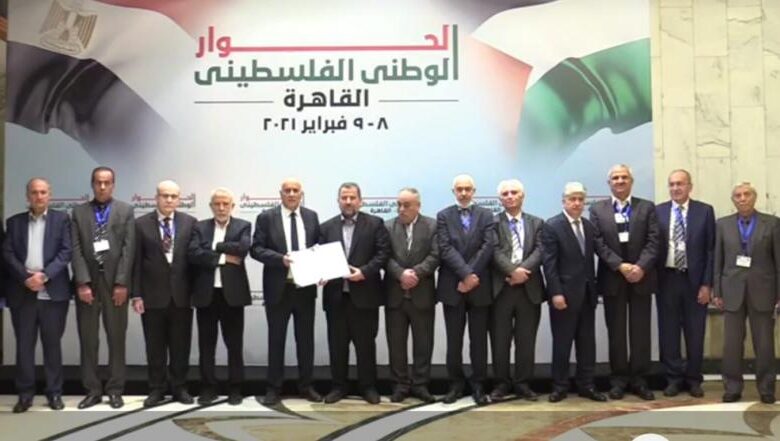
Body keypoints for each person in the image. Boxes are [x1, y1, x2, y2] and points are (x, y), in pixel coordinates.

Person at [589, 164, 659, 400]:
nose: (620, 181)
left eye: (624, 177)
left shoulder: (646, 207)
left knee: (641, 332)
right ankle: (618, 380)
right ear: (609, 183)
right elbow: (597, 243)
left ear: (631, 181)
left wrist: (640, 267)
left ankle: (639, 380)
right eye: (615, 178)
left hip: (641, 278)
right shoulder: (597, 209)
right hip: (613, 278)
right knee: (616, 333)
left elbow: (654, 241)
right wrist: (620, 265)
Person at [3, 178, 72, 412]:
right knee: (24, 347)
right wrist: (26, 277)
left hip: (53, 293)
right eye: (34, 192)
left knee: (52, 345)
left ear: (49, 195)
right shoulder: (14, 222)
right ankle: (25, 394)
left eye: (43, 192)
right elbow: (7, 253)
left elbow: (66, 252)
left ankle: (54, 393)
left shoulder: (62, 220)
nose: (39, 196)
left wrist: (44, 276)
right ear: (28, 196)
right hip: (23, 293)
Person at [250, 178, 322, 405]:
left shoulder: (311, 216)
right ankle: (273, 388)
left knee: (306, 341)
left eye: (295, 190)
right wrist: (280, 259)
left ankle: (306, 386)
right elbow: (256, 249)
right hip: (278, 289)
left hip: (305, 288)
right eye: (287, 190)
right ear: (280, 194)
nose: (291, 194)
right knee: (276, 340)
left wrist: (322, 269)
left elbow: (318, 248)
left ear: (301, 194)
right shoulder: (266, 217)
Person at [71, 166, 135, 409]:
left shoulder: (125, 210)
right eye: (98, 182)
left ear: (113, 185)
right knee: (88, 339)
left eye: (107, 182)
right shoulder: (78, 212)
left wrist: (121, 283)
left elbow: (129, 249)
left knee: (116, 338)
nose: (102, 186)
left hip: (114, 285)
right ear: (92, 184)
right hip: (88, 284)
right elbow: (75, 249)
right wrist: (82, 282)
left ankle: (115, 389)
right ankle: (92, 390)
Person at [319, 182, 390, 404]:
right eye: (344, 197)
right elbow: (318, 257)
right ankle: (338, 387)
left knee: (366, 345)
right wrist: (320, 273)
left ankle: (368, 387)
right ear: (338, 200)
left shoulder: (375, 224)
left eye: (352, 197)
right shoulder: (326, 227)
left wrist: (364, 272)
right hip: (336, 297)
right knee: (337, 346)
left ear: (360, 201)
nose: (348, 201)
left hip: (365, 296)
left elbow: (383, 254)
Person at [131, 180, 197, 407]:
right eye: (164, 195)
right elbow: (136, 262)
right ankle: (156, 389)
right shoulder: (140, 224)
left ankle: (180, 388)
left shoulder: (190, 223)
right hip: (152, 296)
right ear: (156, 198)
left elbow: (194, 262)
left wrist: (195, 294)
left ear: (179, 199)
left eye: (173, 196)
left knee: (181, 346)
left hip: (181, 297)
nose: (169, 200)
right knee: (155, 347)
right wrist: (136, 294)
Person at [713, 182, 780, 404]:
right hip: (731, 291)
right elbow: (718, 260)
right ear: (733, 200)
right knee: (731, 345)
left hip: (764, 291)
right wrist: (717, 290)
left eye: (747, 194)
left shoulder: (772, 224)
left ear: (754, 197)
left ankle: (766, 388)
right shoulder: (722, 225)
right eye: (738, 195)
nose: (742, 198)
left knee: (765, 343)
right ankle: (732, 387)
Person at [542, 182, 609, 403]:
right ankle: (559, 386)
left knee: (587, 344)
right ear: (564, 201)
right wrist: (556, 293)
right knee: (562, 344)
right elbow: (549, 264)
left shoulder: (588, 226)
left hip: (588, 296)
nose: (577, 203)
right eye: (572, 199)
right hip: (564, 296)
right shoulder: (552, 226)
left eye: (580, 199)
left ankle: (587, 385)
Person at [188, 188, 252, 406]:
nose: (222, 208)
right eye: (217, 204)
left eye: (226, 204)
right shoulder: (200, 227)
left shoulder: (243, 225)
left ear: (232, 206)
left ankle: (235, 388)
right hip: (206, 294)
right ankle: (208, 387)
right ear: (211, 206)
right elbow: (193, 253)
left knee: (234, 345)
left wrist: (214, 247)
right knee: (206, 346)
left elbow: (242, 249)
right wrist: (224, 257)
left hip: (232, 296)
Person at [437, 174, 496, 405]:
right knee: (454, 341)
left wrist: (471, 276)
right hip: (453, 286)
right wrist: (465, 274)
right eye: (459, 189)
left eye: (467, 189)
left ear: (474, 191)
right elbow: (445, 247)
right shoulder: (444, 215)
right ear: (453, 192)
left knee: (479, 340)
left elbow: (488, 246)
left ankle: (478, 384)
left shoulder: (486, 214)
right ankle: (455, 384)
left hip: (479, 285)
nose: (463, 193)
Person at [655, 170, 715, 398]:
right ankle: (673, 379)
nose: (675, 188)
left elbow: (710, 250)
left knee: (695, 333)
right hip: (667, 280)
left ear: (690, 186)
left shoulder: (704, 211)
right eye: (671, 184)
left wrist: (707, 284)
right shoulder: (658, 211)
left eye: (680, 184)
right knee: (668, 332)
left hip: (695, 281)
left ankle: (693, 379)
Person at [489, 179, 544, 401]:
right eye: (505, 193)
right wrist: (512, 272)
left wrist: (522, 272)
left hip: (529, 289)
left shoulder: (537, 223)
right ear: (500, 199)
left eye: (514, 192)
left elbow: (541, 250)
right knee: (500, 340)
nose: (510, 196)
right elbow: (493, 251)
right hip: (501, 289)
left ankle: (523, 383)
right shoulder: (492, 223)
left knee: (526, 340)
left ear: (523, 195)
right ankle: (501, 383)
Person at [384, 188, 439, 403]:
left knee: (423, 344)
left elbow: (436, 255)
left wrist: (416, 273)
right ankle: (400, 385)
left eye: (406, 205)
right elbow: (384, 256)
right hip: (395, 295)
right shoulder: (387, 226)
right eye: (399, 204)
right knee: (396, 345)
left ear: (418, 206)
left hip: (422, 294)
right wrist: (400, 274)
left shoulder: (432, 226)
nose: (401, 209)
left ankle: (420, 385)